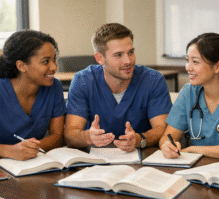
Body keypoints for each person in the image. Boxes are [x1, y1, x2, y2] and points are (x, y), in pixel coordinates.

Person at [64, 23, 172, 152]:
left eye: (131, 52)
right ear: (100, 58)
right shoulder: (83, 81)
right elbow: (71, 134)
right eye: (118, 55)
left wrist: (139, 139)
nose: (128, 61)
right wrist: (88, 136)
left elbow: (162, 128)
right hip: (96, 161)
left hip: (141, 158)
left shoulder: (153, 80)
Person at [159, 33, 219, 160]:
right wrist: (167, 146)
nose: (188, 67)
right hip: (198, 170)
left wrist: (192, 149)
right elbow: (167, 137)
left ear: (218, 66)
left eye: (195, 62)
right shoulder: (189, 92)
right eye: (187, 60)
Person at [0, 30, 67, 161]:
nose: (54, 67)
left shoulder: (54, 87)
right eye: (45, 61)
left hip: (33, 164)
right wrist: (9, 150)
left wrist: (29, 148)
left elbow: (57, 137)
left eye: (54, 59)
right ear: (21, 66)